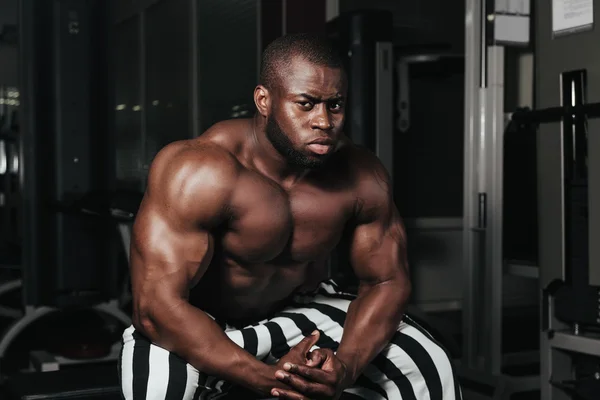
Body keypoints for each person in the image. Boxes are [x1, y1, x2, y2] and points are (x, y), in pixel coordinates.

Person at [119, 33, 461, 400]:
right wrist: (266, 378)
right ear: (264, 100)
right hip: (200, 320)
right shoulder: (200, 170)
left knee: (427, 360)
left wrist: (344, 368)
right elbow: (156, 307)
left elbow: (386, 283)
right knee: (155, 390)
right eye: (307, 104)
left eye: (335, 105)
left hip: (297, 313)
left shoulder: (362, 174)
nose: (324, 122)